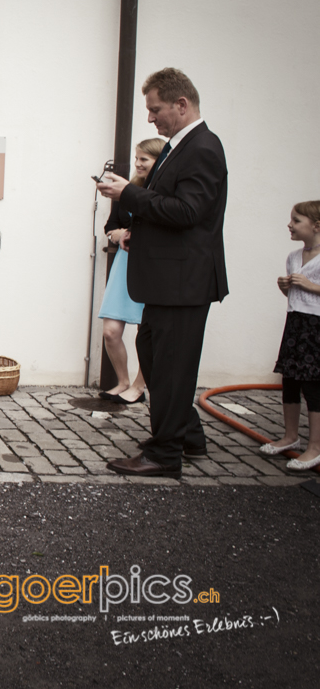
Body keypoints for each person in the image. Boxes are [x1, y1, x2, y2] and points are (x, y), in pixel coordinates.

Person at [97, 68, 228, 478]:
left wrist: (128, 192)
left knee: (170, 369)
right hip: (165, 280)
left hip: (183, 284)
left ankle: (165, 453)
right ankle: (188, 435)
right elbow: (168, 208)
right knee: (155, 362)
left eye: (156, 110)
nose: (151, 118)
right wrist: (138, 231)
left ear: (181, 104)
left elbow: (189, 212)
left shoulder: (203, 148)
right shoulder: (178, 147)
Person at [96, 137, 165, 405]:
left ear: (159, 162)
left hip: (151, 267)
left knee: (146, 334)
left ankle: (139, 386)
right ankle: (122, 381)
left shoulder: (162, 192)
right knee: (111, 331)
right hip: (124, 266)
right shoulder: (128, 191)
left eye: (143, 160)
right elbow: (109, 227)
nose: (137, 164)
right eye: (136, 158)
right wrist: (120, 234)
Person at [262, 200, 320, 470]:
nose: (290, 225)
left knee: (313, 383)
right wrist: (285, 287)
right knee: (290, 379)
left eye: (296, 220)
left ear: (316, 226)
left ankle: (315, 446)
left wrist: (311, 285)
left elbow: (311, 290)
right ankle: (290, 435)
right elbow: (295, 296)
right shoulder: (293, 257)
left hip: (316, 326)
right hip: (295, 321)